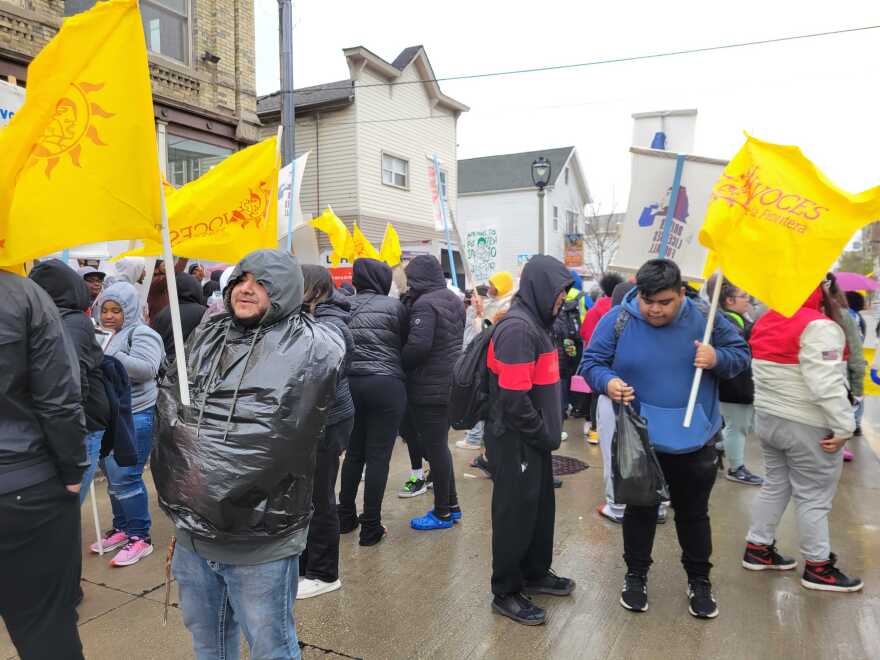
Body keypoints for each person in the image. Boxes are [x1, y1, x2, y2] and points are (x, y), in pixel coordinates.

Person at [152, 250, 344, 659]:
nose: (246, 289)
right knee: (208, 644)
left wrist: (205, 464)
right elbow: (171, 410)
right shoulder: (209, 334)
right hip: (193, 535)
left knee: (270, 646)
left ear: (285, 290)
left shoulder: (311, 344)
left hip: (260, 539)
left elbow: (275, 440)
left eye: (261, 282)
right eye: (242, 279)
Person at [582, 258, 749, 619]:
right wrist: (607, 382)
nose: (655, 309)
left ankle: (699, 580)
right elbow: (591, 362)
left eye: (665, 302)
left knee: (692, 515)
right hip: (639, 438)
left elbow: (741, 357)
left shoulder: (706, 319)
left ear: (681, 295)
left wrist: (717, 357)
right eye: (647, 300)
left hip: (695, 439)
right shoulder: (619, 319)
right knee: (639, 511)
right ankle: (636, 575)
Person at [742, 283, 862, 592]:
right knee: (813, 497)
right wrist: (844, 426)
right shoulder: (819, 326)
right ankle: (818, 568)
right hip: (806, 423)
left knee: (775, 485)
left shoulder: (766, 319)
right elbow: (828, 384)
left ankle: (758, 547)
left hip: (769, 418)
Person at [0, 267, 87, 660]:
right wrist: (72, 470)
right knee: (46, 629)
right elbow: (59, 397)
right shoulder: (24, 295)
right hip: (25, 485)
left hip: (22, 479)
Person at [485, 255, 576, 625]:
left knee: (539, 510)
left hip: (534, 440)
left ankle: (535, 572)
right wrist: (541, 433)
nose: (561, 301)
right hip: (516, 440)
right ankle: (505, 590)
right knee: (514, 515)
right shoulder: (518, 330)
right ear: (540, 288)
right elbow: (513, 399)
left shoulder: (537, 323)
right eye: (558, 294)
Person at [92, 281, 165, 567]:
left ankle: (140, 538)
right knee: (112, 478)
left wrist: (109, 355)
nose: (109, 316)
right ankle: (122, 528)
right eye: (105, 310)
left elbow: (147, 369)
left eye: (116, 310)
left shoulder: (142, 333)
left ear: (130, 310)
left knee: (126, 477)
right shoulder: (101, 334)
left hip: (136, 413)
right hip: (110, 416)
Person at [338, 258, 408, 546]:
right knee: (378, 456)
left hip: (350, 384)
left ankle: (344, 517)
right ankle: (371, 527)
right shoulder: (395, 307)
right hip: (386, 384)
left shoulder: (343, 307)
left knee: (353, 453)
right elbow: (405, 343)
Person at [30, 260, 111, 503]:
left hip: (72, 425)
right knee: (63, 507)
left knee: (60, 507)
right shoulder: (68, 321)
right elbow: (69, 381)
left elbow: (67, 378)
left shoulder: (60, 321)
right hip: (74, 425)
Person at [297, 265, 355, 599]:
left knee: (320, 497)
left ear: (316, 290)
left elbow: (328, 370)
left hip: (328, 419)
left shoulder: (330, 323)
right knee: (308, 497)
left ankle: (324, 572)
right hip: (316, 420)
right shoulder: (313, 318)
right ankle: (307, 566)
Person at [401, 255, 466, 530]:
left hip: (428, 387)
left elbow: (418, 347)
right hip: (450, 382)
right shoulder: (452, 299)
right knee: (440, 447)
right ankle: (451, 506)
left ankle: (441, 512)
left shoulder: (425, 305)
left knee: (435, 448)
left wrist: (398, 362)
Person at [705, 276, 763, 486]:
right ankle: (736, 468)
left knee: (739, 425)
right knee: (737, 426)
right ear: (729, 300)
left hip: (738, 384)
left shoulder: (732, 319)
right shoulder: (728, 323)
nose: (747, 301)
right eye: (743, 296)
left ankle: (719, 448)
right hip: (735, 385)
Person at [580, 272, 624, 444]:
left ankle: (594, 430)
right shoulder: (627, 313)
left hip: (598, 364)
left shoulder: (594, 311)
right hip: (618, 366)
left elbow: (584, 332)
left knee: (596, 396)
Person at [150, 271, 206, 358]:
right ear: (197, 289)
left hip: (165, 365)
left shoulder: (163, 313)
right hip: (191, 365)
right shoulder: (205, 313)